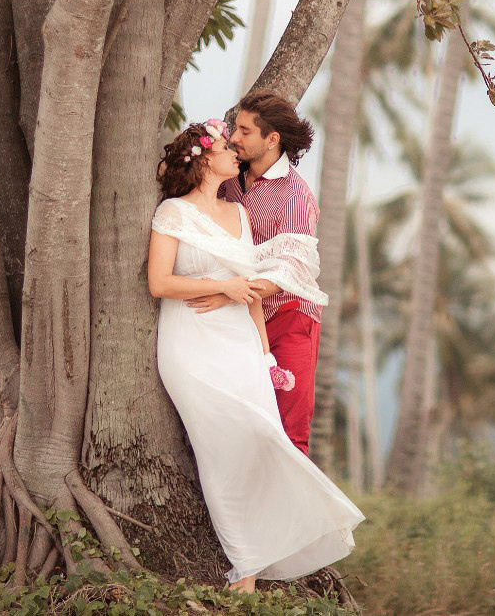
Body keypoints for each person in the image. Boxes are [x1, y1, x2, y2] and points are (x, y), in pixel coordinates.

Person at [147, 119, 363, 591]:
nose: (235, 151)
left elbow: (254, 291)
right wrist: (221, 286)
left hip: (244, 342)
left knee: (265, 436)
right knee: (222, 446)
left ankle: (284, 540)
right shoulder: (172, 213)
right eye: (227, 144)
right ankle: (245, 566)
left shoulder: (241, 215)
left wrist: (265, 353)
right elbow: (160, 283)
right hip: (191, 342)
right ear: (205, 161)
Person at [185, 91, 323, 456]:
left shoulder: (295, 197)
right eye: (235, 129)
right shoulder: (227, 176)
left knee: (291, 430)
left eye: (245, 131)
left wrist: (231, 291)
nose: (234, 138)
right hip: (239, 315)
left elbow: (290, 269)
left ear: (272, 139)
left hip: (289, 317)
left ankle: (295, 512)